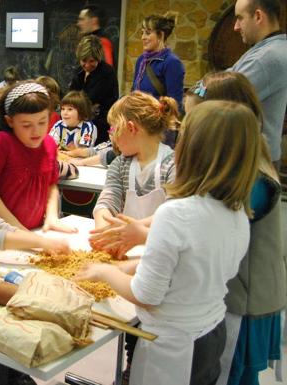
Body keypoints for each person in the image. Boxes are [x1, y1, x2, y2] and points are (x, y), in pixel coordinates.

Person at [77, 100, 261, 385]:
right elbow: (190, 267)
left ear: (191, 149)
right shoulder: (236, 210)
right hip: (210, 333)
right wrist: (134, 265)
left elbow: (146, 295)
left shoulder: (175, 213)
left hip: (175, 349)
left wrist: (104, 272)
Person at [173, 71, 285, 385]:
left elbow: (207, 226)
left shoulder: (252, 177)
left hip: (244, 300)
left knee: (229, 375)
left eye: (196, 121)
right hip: (232, 294)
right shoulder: (242, 158)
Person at [0, 82, 77, 232]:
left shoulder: (49, 144)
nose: (36, 131)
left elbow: (51, 185)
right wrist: (18, 230)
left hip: (35, 231)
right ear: (10, 121)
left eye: (42, 122)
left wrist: (52, 217)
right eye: (26, 125)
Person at [91, 91, 178, 248]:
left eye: (113, 130)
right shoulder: (120, 164)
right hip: (125, 247)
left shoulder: (173, 165)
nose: (113, 138)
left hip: (161, 251)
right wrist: (104, 231)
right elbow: (107, 202)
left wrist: (131, 231)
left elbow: (174, 212)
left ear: (131, 128)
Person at [230, 0, 287, 170]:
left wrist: (201, 89)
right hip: (254, 158)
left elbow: (215, 94)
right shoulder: (265, 49)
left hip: (253, 162)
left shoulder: (267, 57)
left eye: (240, 18)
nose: (235, 27)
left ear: (258, 16)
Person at [69, 35, 118, 145]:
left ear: (98, 58)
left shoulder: (107, 73)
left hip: (100, 128)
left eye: (91, 61)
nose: (87, 65)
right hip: (80, 126)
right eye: (84, 61)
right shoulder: (79, 72)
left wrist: (82, 104)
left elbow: (88, 100)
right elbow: (72, 98)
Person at [132, 12, 185, 110]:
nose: (142, 37)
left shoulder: (171, 62)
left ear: (160, 35)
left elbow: (175, 104)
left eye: (147, 33)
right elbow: (134, 91)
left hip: (159, 121)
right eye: (142, 32)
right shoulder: (141, 60)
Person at [50, 90, 97, 156]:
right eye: (63, 109)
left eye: (70, 109)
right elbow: (50, 145)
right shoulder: (58, 125)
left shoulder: (88, 127)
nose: (65, 113)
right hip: (62, 159)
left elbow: (84, 151)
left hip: (82, 161)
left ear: (81, 112)